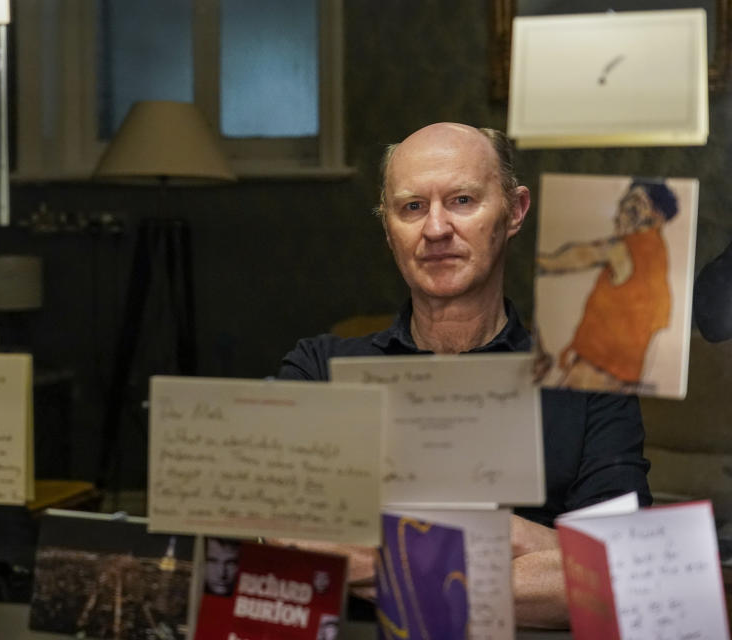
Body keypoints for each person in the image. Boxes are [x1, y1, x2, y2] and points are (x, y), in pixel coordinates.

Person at [277, 123, 651, 628]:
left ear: (515, 211)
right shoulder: (321, 369)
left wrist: (375, 548)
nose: (435, 229)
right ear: (389, 227)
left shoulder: (589, 378)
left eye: (461, 201)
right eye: (412, 207)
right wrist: (522, 540)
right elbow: (280, 535)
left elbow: (619, 570)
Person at [536, 180, 678, 393]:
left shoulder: (625, 248)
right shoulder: (659, 256)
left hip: (591, 375)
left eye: (634, 202)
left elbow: (563, 260)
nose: (622, 210)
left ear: (655, 215)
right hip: (622, 382)